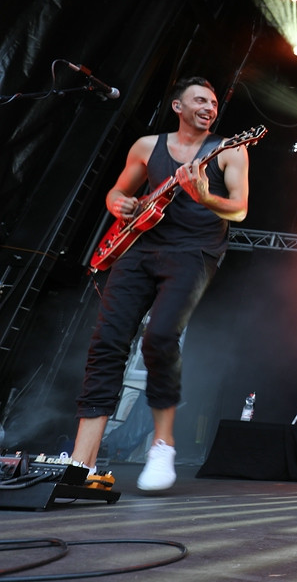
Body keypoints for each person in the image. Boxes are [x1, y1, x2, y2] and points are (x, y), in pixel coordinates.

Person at [72, 77, 250, 492]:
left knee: (160, 338)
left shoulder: (230, 151)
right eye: (199, 100)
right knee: (107, 342)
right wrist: (118, 201)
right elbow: (118, 191)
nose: (209, 107)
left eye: (212, 102)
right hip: (138, 248)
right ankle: (82, 460)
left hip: (194, 252)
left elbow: (239, 210)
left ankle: (163, 445)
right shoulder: (146, 146)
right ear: (177, 106)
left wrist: (205, 196)